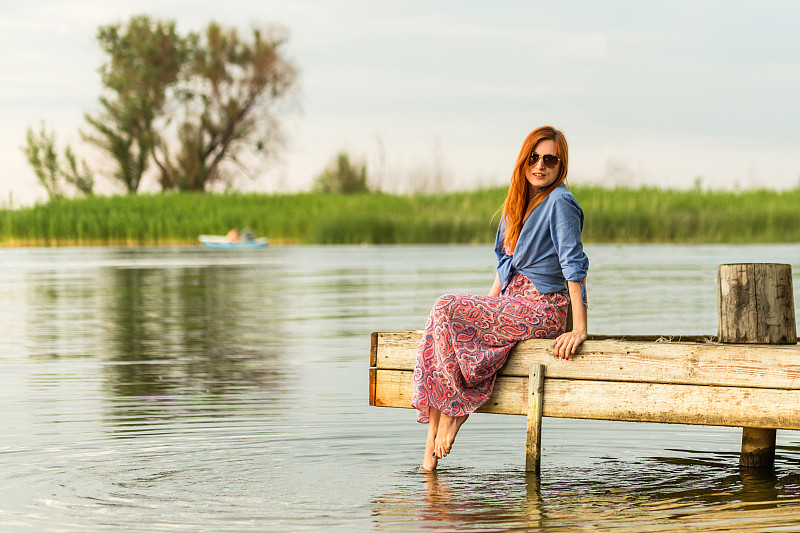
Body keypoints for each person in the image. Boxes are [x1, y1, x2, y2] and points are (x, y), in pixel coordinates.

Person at [411, 125, 589, 472]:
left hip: (542, 307)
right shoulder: (517, 204)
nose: (540, 165)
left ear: (560, 165)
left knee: (445, 305)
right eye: (534, 157)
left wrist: (579, 327)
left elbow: (574, 264)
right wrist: (486, 308)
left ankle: (456, 412)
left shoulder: (560, 202)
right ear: (524, 160)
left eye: (550, 159)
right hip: (511, 303)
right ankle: (432, 437)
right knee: (440, 320)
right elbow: (504, 268)